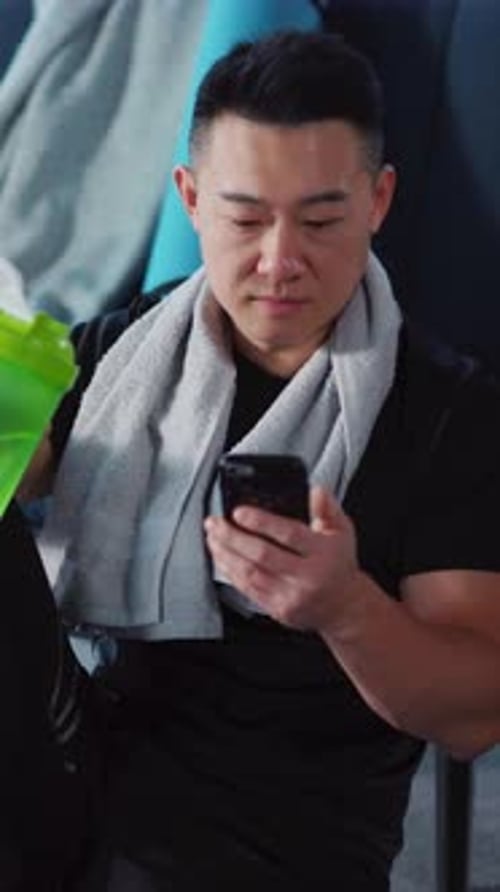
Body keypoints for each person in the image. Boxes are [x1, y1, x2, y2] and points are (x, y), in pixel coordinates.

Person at [14, 28, 500, 891]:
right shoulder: (141, 342)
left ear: (379, 201)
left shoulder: (447, 413)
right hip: (81, 775)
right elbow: (27, 436)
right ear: (191, 200)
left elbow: (475, 716)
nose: (280, 262)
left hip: (280, 835)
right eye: (244, 219)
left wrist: (345, 607)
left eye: (320, 220)